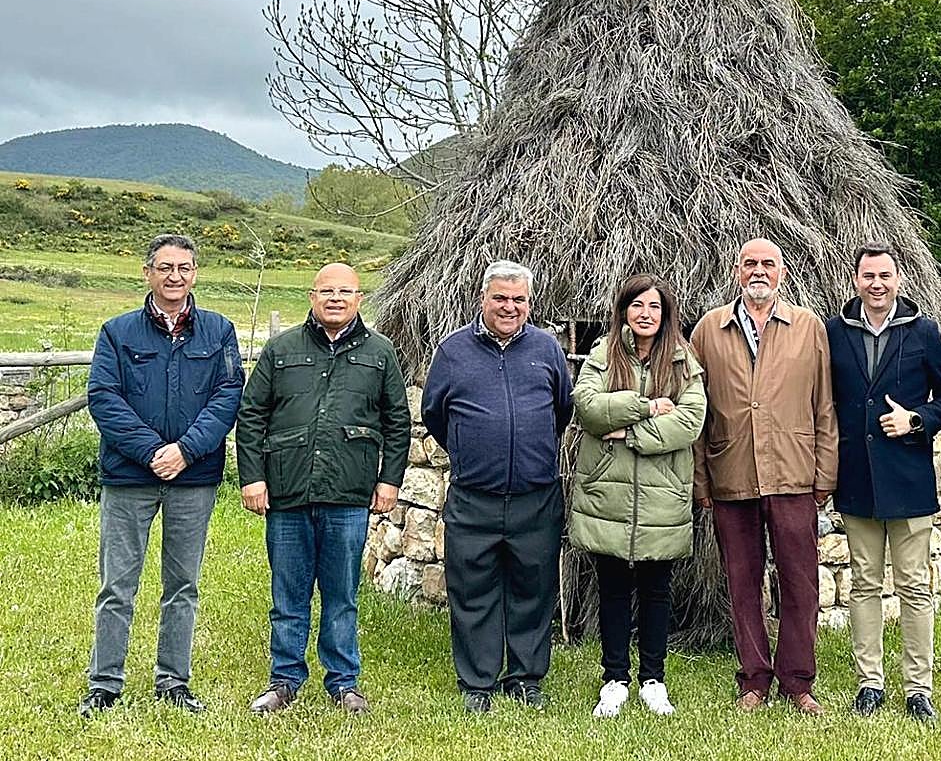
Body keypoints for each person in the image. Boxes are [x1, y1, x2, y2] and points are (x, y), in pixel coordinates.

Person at [80, 234, 244, 718]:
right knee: (117, 585)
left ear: (196, 274)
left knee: (183, 584)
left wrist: (187, 451)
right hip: (130, 477)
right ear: (147, 272)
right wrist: (154, 451)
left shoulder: (219, 331)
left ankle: (173, 682)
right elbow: (104, 398)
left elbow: (227, 396)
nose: (176, 276)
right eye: (166, 267)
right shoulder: (117, 332)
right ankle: (105, 684)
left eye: (185, 268)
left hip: (194, 479)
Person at [236, 263, 410, 715]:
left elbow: (396, 422)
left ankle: (343, 683)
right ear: (312, 296)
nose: (335, 298)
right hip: (287, 492)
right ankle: (285, 679)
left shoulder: (380, 352)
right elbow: (251, 416)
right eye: (326, 290)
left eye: (345, 291)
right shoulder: (281, 349)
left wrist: (389, 479)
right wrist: (252, 477)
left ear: (359, 299)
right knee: (288, 594)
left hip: (348, 494)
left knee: (341, 595)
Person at [691, 237, 838, 715]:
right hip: (731, 472)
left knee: (801, 582)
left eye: (768, 264)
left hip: (794, 474)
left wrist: (825, 474)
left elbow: (824, 406)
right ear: (737, 271)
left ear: (782, 272)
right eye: (750, 263)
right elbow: (698, 413)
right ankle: (753, 679)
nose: (759, 270)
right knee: (742, 582)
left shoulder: (807, 327)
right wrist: (702, 481)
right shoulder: (709, 330)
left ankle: (797, 682)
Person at [422, 260, 573, 714]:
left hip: (535, 496)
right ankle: (478, 682)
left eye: (519, 299)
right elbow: (435, 415)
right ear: (483, 299)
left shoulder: (547, 350)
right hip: (475, 498)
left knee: (533, 589)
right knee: (472, 591)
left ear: (530, 303)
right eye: (500, 298)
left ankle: (525, 678)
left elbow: (561, 412)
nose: (510, 307)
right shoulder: (453, 352)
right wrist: (474, 451)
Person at [825, 242, 941, 723]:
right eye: (868, 276)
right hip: (857, 477)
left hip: (908, 478)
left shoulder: (923, 332)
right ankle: (870, 683)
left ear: (898, 279)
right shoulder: (836, 332)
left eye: (885, 275)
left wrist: (917, 420)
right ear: (856, 280)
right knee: (864, 582)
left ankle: (918, 688)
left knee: (914, 587)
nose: (876, 284)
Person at [569, 274, 707, 718]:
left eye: (654, 307)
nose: (645, 314)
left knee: (655, 588)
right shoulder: (603, 353)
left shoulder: (684, 361)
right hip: (607, 489)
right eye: (637, 306)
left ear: (666, 314)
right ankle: (614, 678)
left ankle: (653, 678)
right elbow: (588, 407)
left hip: (661, 492)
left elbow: (690, 421)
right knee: (610, 585)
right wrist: (646, 407)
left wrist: (628, 432)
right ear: (624, 310)